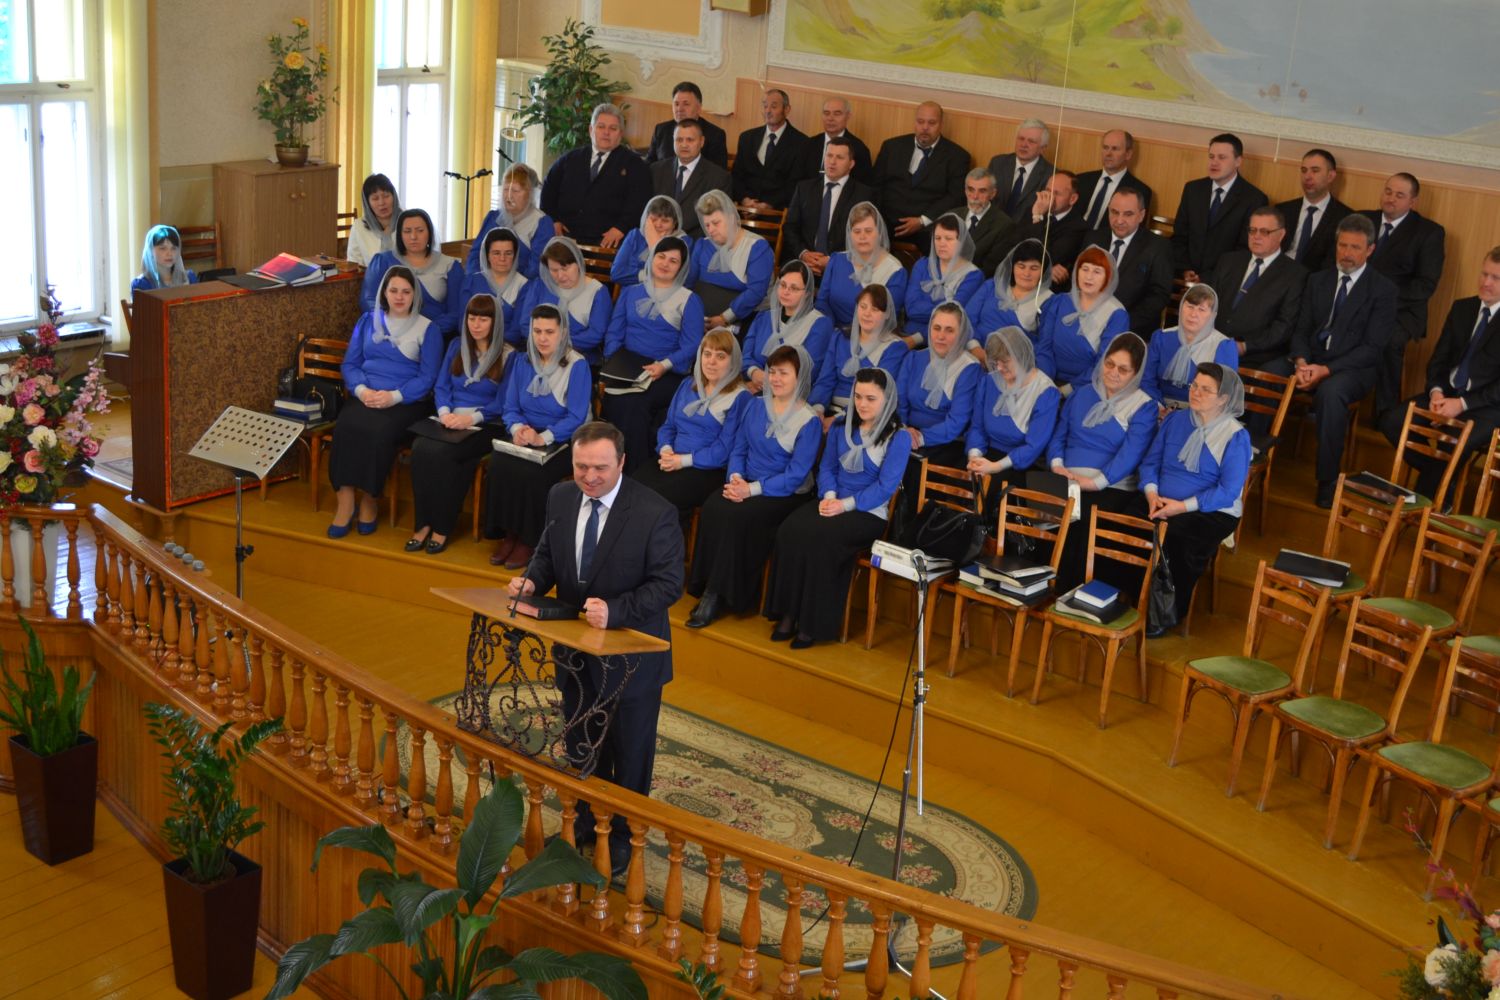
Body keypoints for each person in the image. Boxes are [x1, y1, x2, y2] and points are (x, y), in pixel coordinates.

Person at [505, 420, 684, 877]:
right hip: (576, 651)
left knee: (629, 753)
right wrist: (531, 581)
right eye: (581, 466)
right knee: (581, 743)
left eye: (600, 468)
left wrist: (617, 610)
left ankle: (623, 838)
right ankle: (584, 822)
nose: (589, 477)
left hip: (632, 660)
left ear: (621, 462)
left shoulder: (655, 512)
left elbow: (669, 584)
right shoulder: (561, 496)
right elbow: (549, 554)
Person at [765, 366, 911, 649]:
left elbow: (885, 487)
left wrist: (844, 505)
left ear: (887, 400)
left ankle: (812, 624)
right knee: (790, 530)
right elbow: (828, 467)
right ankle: (788, 613)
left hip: (867, 512)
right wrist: (830, 496)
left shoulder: (898, 437)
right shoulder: (841, 425)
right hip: (832, 501)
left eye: (871, 398)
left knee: (823, 541)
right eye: (858, 396)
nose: (862, 404)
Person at [687, 344, 822, 630]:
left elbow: (795, 475)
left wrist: (751, 490)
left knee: (739, 516)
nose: (775, 379)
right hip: (745, 482)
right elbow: (739, 447)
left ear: (799, 377)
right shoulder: (756, 404)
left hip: (785, 493)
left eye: (783, 373)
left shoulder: (809, 420)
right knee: (714, 506)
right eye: (772, 372)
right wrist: (736, 477)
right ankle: (704, 584)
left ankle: (719, 595)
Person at [1280, 215, 1399, 508]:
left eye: (1355, 247)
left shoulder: (1383, 290)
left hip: (1352, 368)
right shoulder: (1317, 280)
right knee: (1268, 372)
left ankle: (1328, 481)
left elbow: (1372, 349)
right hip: (1311, 359)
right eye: (1342, 245)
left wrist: (1326, 370)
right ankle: (1250, 459)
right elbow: (1301, 329)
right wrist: (1301, 362)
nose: (1346, 253)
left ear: (1370, 249)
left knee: (1331, 392)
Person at [1134, 363, 1251, 636]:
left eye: (1206, 390)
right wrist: (1152, 494)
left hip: (1210, 510)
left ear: (1223, 398)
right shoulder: (1175, 420)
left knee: (1177, 540)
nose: (1196, 392)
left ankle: (1163, 613)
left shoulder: (1235, 436)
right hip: (1161, 500)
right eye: (1194, 386)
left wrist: (1181, 507)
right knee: (1124, 522)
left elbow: (1228, 491)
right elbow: (1150, 463)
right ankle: (1124, 596)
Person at [1377, 247, 1500, 504]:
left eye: (1495, 278)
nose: (1486, 282)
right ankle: (1443, 481)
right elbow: (1438, 360)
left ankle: (1418, 507)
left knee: (1452, 440)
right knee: (1393, 421)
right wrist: (1436, 392)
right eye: (1484, 274)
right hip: (1445, 394)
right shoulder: (1463, 308)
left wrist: (1461, 404)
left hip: (1485, 406)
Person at [328, 266, 444, 538]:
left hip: (406, 402)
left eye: (406, 291)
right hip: (366, 394)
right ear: (384, 293)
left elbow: (428, 377)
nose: (399, 297)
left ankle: (370, 499)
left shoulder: (429, 328)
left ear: (415, 295)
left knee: (379, 432)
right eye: (394, 291)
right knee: (345, 426)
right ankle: (345, 500)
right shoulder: (367, 320)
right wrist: (361, 390)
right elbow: (351, 363)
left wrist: (394, 396)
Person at [1046, 332, 1156, 592]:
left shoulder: (1144, 406)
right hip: (1065, 477)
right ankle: (1037, 586)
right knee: (1036, 511)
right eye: (1109, 364)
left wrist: (1094, 482)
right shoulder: (1082, 394)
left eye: (1123, 369)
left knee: (1079, 520)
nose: (1113, 373)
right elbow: (1059, 435)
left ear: (1136, 374)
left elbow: (1130, 455)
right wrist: (1057, 466)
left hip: (1109, 486)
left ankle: (1069, 593)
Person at [487, 304, 592, 569]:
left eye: (549, 332)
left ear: (562, 333)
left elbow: (576, 417)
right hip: (527, 433)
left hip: (562, 438)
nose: (542, 338)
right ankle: (509, 534)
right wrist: (517, 430)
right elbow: (510, 407)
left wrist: (542, 438)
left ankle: (529, 540)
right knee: (500, 463)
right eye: (537, 331)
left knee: (533, 473)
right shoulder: (523, 361)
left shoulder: (577, 365)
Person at [405, 293, 510, 555]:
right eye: (472, 318)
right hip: (450, 418)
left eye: (483, 319)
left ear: (495, 322)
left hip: (485, 423)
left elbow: (503, 402)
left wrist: (469, 419)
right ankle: (423, 523)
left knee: (446, 455)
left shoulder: (509, 355)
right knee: (419, 449)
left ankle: (442, 527)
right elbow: (441, 386)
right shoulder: (456, 345)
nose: (476, 325)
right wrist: (444, 413)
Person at [602, 236, 705, 472]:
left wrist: (664, 365)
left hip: (666, 372)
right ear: (652, 258)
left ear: (681, 268)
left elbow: (692, 345)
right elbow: (614, 332)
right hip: (627, 366)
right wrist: (615, 364)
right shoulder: (630, 292)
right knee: (617, 398)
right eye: (661, 256)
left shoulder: (689, 300)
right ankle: (611, 464)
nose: (665, 263)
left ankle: (635, 472)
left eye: (673, 261)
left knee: (635, 403)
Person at [634, 329, 750, 518]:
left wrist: (682, 461)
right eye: (707, 354)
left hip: (707, 468)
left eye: (720, 356)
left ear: (733, 361)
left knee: (655, 500)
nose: (711, 362)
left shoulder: (740, 397)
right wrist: (666, 449)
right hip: (673, 458)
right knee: (631, 489)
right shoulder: (687, 384)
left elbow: (723, 450)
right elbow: (669, 426)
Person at [1362, 172, 1447, 416]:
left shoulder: (1428, 232)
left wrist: (1381, 301)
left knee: (1388, 340)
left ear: (1413, 202)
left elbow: (1425, 285)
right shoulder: (1362, 220)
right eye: (1388, 192)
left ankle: (1385, 415)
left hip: (1401, 310)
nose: (1391, 199)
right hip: (1356, 301)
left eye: (1399, 195)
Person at [966, 327, 1061, 503]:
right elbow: (977, 427)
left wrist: (995, 467)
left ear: (1021, 356)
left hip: (1019, 464)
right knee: (960, 483)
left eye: (1005, 362)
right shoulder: (989, 381)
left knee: (989, 493)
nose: (999, 368)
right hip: (987, 455)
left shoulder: (1046, 392)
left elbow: (1033, 446)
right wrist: (974, 458)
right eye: (995, 362)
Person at [1204, 207, 1307, 369]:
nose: (1256, 236)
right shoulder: (1228, 261)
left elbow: (1284, 326)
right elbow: (1209, 303)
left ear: (1281, 235)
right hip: (1212, 344)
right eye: (1252, 230)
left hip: (1256, 355)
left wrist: (1246, 346)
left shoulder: (1295, 274)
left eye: (1265, 232)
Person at [540, 103, 651, 249]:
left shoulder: (635, 165)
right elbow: (548, 191)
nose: (606, 132)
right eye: (601, 127)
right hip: (566, 238)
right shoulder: (570, 159)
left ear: (621, 134)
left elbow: (640, 203)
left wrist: (621, 228)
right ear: (591, 130)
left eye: (613, 128)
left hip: (609, 242)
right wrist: (553, 220)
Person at [871, 101, 970, 252]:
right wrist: (878, 217)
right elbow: (875, 185)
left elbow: (955, 197)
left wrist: (922, 220)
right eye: (920, 121)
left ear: (941, 125)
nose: (925, 127)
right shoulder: (892, 147)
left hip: (927, 226)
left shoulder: (957, 156)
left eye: (931, 123)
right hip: (886, 221)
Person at [1171, 133, 1268, 283]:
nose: (1214, 163)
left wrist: (1207, 277)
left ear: (1238, 161)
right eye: (1211, 157)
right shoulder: (1193, 189)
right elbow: (1180, 236)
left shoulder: (1254, 199)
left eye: (1222, 158)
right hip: (1183, 274)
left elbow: (1245, 250)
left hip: (1224, 280)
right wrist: (1185, 269)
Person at [897, 301, 981, 467]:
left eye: (949, 330)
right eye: (936, 328)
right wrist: (902, 428)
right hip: (907, 433)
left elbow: (956, 423)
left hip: (945, 443)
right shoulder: (914, 358)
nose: (941, 336)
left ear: (961, 334)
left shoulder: (970, 368)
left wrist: (920, 438)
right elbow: (899, 403)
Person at [1036, 244, 1130, 390]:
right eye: (1084, 269)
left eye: (1097, 271)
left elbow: (1105, 364)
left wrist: (1068, 390)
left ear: (1108, 277)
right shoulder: (1059, 301)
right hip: (1048, 378)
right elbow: (1044, 347)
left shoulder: (1116, 314)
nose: (1089, 276)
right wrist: (1045, 383)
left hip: (1089, 385)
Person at [360, 208, 465, 338]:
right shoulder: (383, 261)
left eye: (420, 231)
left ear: (430, 233)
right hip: (390, 335)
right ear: (399, 235)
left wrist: (427, 331)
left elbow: (456, 312)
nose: (413, 237)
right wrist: (389, 327)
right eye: (407, 231)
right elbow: (369, 301)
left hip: (435, 335)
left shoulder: (450, 266)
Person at [811, 283, 910, 418]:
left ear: (887, 314)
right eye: (863, 307)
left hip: (863, 415)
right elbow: (825, 380)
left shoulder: (895, 348)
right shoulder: (839, 337)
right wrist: (817, 410)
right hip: (828, 407)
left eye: (875, 309)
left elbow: (877, 395)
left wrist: (837, 419)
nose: (867, 314)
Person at [1083, 187, 1173, 337]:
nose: (1119, 220)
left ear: (1141, 215)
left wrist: (1121, 323)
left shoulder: (1158, 247)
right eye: (1114, 212)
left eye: (1128, 214)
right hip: (1088, 322)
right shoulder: (1093, 238)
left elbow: (1159, 296)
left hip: (1131, 330)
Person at [781, 136, 874, 274]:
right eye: (829, 155)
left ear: (851, 164)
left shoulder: (864, 195)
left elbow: (866, 238)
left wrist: (832, 261)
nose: (832, 162)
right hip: (804, 265)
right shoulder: (804, 188)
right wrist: (804, 253)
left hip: (843, 269)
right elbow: (790, 227)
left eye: (839, 157)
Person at [814, 201, 909, 333]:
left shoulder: (895, 271)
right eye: (857, 231)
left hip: (872, 337)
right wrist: (831, 331)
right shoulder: (836, 260)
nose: (862, 237)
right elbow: (822, 302)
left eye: (868, 231)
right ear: (850, 234)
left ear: (879, 232)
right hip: (831, 331)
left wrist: (850, 336)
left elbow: (888, 318)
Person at [687, 189, 773, 333]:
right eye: (707, 225)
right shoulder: (702, 244)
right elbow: (688, 283)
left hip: (745, 321)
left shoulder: (757, 247)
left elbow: (756, 292)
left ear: (732, 218)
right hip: (701, 320)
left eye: (716, 223)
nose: (710, 230)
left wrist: (724, 318)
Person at [741, 261, 833, 394]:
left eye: (794, 288)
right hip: (753, 385)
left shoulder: (820, 324)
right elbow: (746, 355)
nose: (786, 292)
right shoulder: (763, 317)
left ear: (807, 293)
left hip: (790, 395)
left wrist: (768, 382)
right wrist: (753, 372)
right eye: (783, 285)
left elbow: (809, 371)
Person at [1141, 284, 1239, 409]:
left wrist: (1182, 415)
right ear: (1181, 307)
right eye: (1190, 307)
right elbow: (1147, 381)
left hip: (1199, 411)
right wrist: (1159, 407)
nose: (1193, 314)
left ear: (1212, 315)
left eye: (1201, 309)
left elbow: (1222, 393)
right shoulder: (1161, 337)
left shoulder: (1224, 346)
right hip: (1157, 406)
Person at [527, 237, 613, 366]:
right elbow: (525, 323)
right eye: (554, 270)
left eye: (565, 268)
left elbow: (595, 334)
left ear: (578, 263)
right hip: (540, 353)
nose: (560, 276)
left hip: (579, 356)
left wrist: (558, 344)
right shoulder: (540, 285)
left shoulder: (597, 291)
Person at [904, 213, 982, 343]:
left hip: (945, 340)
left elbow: (952, 316)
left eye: (948, 239)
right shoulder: (922, 264)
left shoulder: (972, 275)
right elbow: (911, 309)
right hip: (908, 333)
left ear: (961, 241)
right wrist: (939, 307)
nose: (942, 244)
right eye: (937, 238)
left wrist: (923, 313)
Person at [648, 119, 732, 239]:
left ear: (701, 142)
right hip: (657, 238)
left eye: (690, 140)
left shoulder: (719, 178)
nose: (684, 145)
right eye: (679, 140)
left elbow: (716, 222)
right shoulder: (656, 170)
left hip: (695, 242)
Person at [466, 165, 553, 279]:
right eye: (506, 189)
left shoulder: (542, 223)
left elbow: (536, 269)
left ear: (530, 194)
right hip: (485, 282)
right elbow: (475, 255)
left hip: (522, 286)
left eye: (515, 190)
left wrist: (506, 285)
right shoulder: (493, 217)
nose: (509, 196)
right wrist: (476, 280)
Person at [966, 239, 1053, 349]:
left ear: (1043, 271)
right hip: (971, 348)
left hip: (1013, 357)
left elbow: (1044, 344)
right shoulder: (992, 286)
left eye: (1034, 268)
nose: (1027, 273)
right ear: (1012, 267)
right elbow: (967, 319)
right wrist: (974, 347)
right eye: (1021, 266)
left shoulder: (1049, 301)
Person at [730, 89, 806, 211]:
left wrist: (769, 204)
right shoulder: (747, 138)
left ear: (787, 109)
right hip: (743, 209)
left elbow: (795, 184)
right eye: (765, 106)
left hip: (777, 212)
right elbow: (736, 176)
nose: (768, 111)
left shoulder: (801, 143)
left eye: (773, 107)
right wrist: (744, 200)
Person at [1277, 149, 1351, 272]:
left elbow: (1333, 263)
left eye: (1315, 171)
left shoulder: (1345, 218)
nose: (1307, 177)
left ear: (1331, 176)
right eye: (1304, 170)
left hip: (1314, 278)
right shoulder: (1282, 210)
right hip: (1278, 272)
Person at [1019, 171, 1089, 291]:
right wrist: (1048, 268)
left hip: (1046, 290)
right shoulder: (1033, 210)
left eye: (1056, 193)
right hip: (1019, 278)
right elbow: (1015, 245)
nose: (1049, 197)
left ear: (1072, 199)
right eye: (1047, 190)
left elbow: (1045, 258)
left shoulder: (1078, 227)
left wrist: (1037, 218)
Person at [462, 228, 531, 346]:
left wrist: (491, 346)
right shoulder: (471, 281)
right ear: (487, 255)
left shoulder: (524, 285)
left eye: (508, 253)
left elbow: (516, 330)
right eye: (496, 253)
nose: (502, 259)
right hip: (472, 344)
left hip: (507, 346)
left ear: (515, 255)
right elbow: (462, 322)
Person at [1075, 129, 1154, 231]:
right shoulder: (1081, 180)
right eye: (1105, 147)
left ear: (1128, 154)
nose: (1108, 153)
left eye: (1115, 149)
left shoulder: (1140, 190)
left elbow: (1133, 230)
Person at [946, 168, 1018, 277]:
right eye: (971, 190)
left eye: (982, 191)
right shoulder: (951, 215)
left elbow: (990, 269)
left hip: (975, 281)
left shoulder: (1004, 225)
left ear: (993, 194)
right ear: (965, 191)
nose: (975, 196)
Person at [610, 195, 693, 290]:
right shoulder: (635, 235)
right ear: (646, 218)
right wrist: (651, 276)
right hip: (632, 292)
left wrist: (655, 244)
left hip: (665, 294)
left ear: (675, 223)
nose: (658, 225)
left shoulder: (683, 241)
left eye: (665, 221)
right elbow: (616, 274)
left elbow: (679, 279)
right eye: (653, 219)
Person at [644, 81, 729, 168]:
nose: (679, 109)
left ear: (699, 108)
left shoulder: (715, 135)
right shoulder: (661, 130)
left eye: (686, 104)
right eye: (676, 104)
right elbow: (649, 163)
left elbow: (718, 172)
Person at [791, 96, 873, 185]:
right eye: (826, 113)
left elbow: (862, 186)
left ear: (848, 116)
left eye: (837, 114)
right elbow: (796, 180)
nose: (830, 118)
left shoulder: (859, 149)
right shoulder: (808, 144)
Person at [987, 118, 1056, 222]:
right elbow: (986, 198)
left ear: (1043, 148)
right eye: (1021, 139)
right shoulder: (998, 163)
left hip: (1026, 229)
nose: (1024, 145)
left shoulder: (1051, 174)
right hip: (993, 224)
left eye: (1031, 141)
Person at [345, 173, 402, 267]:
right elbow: (354, 263)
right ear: (367, 203)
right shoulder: (359, 226)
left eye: (386, 196)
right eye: (375, 198)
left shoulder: (408, 222)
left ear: (394, 196)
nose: (381, 203)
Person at [131, 225, 198, 293]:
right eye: (163, 248)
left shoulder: (189, 278)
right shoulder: (142, 284)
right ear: (150, 251)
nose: (169, 253)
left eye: (173, 248)